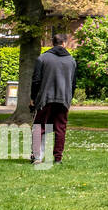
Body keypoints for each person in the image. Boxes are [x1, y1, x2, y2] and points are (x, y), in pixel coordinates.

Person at [31, 31, 78, 166]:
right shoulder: (71, 61)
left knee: (39, 127)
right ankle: (57, 158)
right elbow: (73, 84)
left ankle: (37, 157)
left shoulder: (42, 58)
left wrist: (33, 98)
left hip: (45, 98)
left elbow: (36, 81)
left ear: (53, 43)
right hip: (63, 99)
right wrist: (69, 99)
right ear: (64, 43)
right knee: (60, 129)